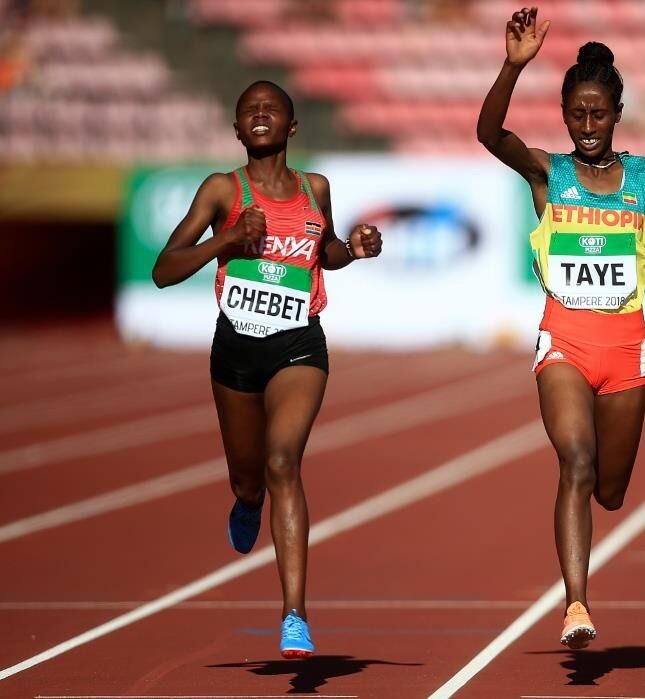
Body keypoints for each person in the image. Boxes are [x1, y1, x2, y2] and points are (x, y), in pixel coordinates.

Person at [477, 7, 645, 649]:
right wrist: (513, 66)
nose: (587, 126)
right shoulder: (548, 173)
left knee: (610, 491)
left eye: (598, 114)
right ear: (564, 114)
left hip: (627, 349)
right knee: (575, 461)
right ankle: (576, 604)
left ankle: (592, 534)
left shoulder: (644, 180)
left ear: (617, 113)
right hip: (565, 343)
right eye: (576, 114)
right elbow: (489, 134)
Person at [151, 80, 383, 657]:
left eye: (270, 108)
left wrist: (353, 249)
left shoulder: (315, 188)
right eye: (248, 110)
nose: (259, 115)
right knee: (248, 479)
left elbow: (324, 251)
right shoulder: (221, 189)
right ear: (236, 129)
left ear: (292, 125)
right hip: (235, 349)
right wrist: (228, 238)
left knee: (283, 461)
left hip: (298, 345)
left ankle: (294, 615)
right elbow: (164, 270)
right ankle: (248, 500)